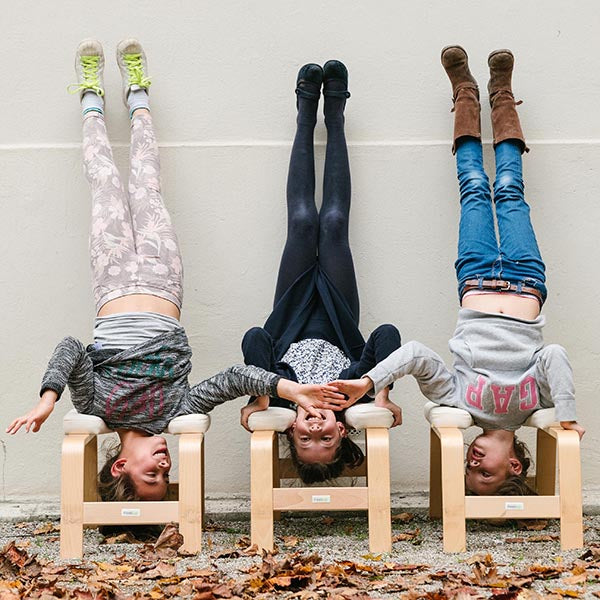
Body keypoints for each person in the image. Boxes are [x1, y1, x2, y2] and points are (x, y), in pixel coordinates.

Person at [6, 39, 344, 503]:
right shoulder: (177, 409)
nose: (166, 466)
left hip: (114, 280)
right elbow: (235, 378)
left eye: (153, 476)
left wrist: (48, 400)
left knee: (105, 182)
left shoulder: (94, 404)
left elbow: (70, 348)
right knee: (145, 182)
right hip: (164, 282)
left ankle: (90, 99)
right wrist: (294, 390)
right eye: (167, 478)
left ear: (120, 465)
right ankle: (138, 95)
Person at [331, 47, 584, 496]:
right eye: (484, 473)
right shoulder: (536, 407)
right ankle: (502, 95)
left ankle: (465, 93)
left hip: (476, 278)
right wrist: (565, 415)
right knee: (508, 189)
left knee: (472, 187)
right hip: (527, 279)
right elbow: (554, 356)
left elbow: (415, 355)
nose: (473, 463)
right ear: (516, 466)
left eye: (469, 471)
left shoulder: (457, 402)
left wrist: (370, 382)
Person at [240, 60, 402, 484]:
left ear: (291, 430)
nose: (315, 432)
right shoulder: (350, 393)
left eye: (305, 442)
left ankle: (304, 113)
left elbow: (254, 339)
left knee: (302, 222)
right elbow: (386, 335)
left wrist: (264, 396)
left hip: (292, 307)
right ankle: (335, 115)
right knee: (331, 222)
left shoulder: (281, 400)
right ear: (343, 430)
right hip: (335, 307)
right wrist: (378, 390)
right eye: (326, 442)